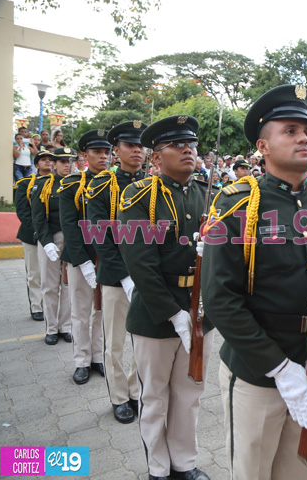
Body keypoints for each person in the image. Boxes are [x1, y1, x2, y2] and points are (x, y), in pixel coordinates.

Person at [201, 84, 307, 480]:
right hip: (258, 370)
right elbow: (219, 299)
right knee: (252, 471)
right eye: (290, 130)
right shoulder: (236, 203)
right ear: (263, 146)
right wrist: (278, 367)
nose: (304, 138)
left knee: (297, 472)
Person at [118, 115, 214, 480]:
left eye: (191, 144)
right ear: (156, 158)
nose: (188, 150)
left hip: (199, 308)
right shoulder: (138, 196)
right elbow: (140, 263)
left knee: (189, 393)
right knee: (155, 397)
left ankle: (184, 463)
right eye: (177, 145)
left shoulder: (208, 193)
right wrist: (173, 313)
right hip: (156, 315)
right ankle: (158, 468)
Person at [87, 120, 146, 423]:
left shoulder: (153, 185)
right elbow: (100, 236)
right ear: (116, 151)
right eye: (130, 145)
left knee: (143, 341)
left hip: (146, 277)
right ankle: (119, 397)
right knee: (116, 342)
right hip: (115, 276)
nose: (137, 150)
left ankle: (136, 392)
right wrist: (125, 275)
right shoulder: (102, 185)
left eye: (140, 145)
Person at [58, 130, 109, 384]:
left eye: (106, 152)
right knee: (80, 312)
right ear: (85, 155)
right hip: (81, 257)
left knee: (102, 311)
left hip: (107, 258)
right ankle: (81, 361)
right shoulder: (73, 184)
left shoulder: (115, 184)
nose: (103, 156)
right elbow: (69, 225)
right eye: (97, 152)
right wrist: (82, 261)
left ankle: (98, 356)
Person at [30, 147, 74, 345]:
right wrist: (46, 242)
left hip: (72, 240)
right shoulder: (44, 185)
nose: (67, 165)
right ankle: (51, 328)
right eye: (63, 161)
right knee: (49, 286)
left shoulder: (78, 184)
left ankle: (65, 326)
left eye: (70, 161)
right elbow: (38, 218)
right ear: (54, 164)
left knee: (68, 285)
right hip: (51, 237)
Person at [14, 149, 53, 321]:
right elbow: (23, 212)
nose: (48, 162)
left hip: (53, 235)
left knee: (52, 275)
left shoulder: (59, 183)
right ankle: (37, 307)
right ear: (36, 164)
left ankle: (50, 306)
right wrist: (38, 232)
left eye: (50, 159)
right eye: (43, 160)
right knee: (35, 273)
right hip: (32, 235)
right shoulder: (25, 184)